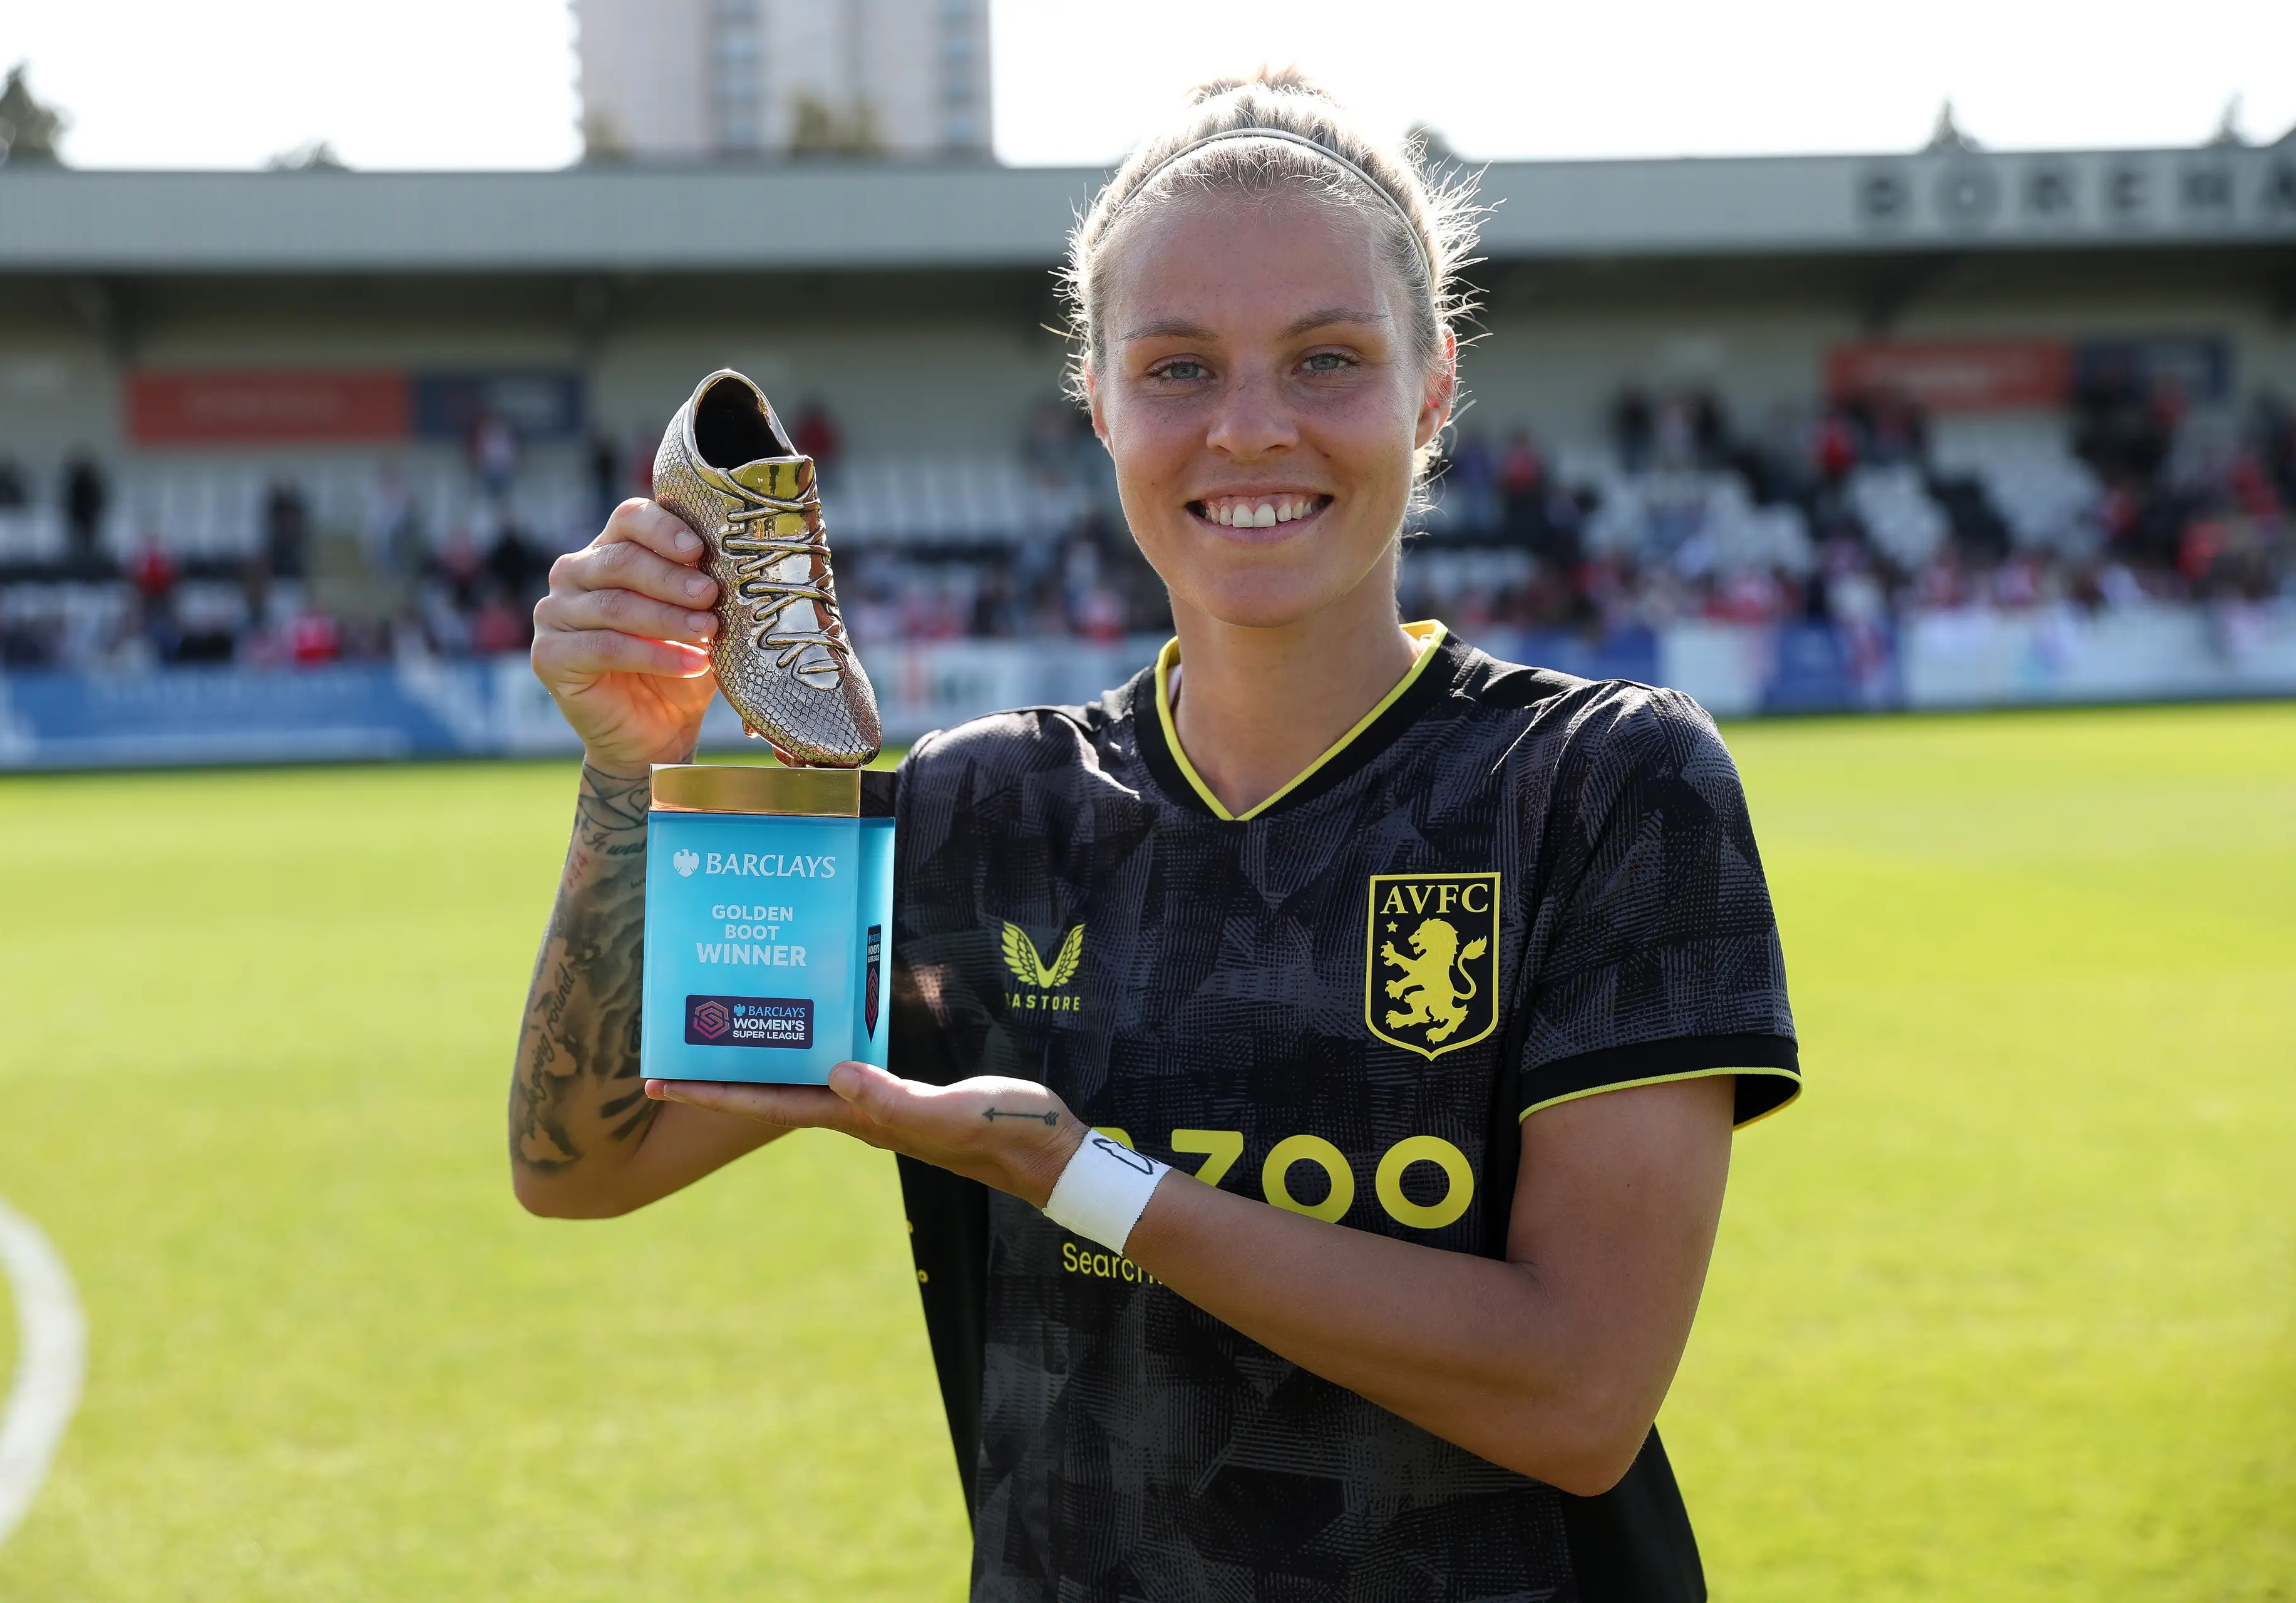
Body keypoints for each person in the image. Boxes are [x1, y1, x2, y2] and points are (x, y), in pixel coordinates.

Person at [511, 70, 1799, 1601]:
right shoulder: (983, 810)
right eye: (1179, 368)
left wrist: (1084, 1179)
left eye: (1326, 359)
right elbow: (586, 1162)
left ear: (1435, 386)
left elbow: (1581, 1394)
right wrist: (626, 772)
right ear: (1099, 400)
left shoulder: (1602, 781)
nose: (1250, 429)